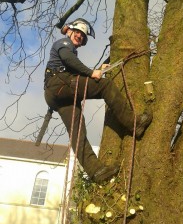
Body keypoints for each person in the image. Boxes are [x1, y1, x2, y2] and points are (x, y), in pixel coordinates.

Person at [44, 18, 152, 183]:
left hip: (60, 94)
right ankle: (133, 123)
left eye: (82, 36)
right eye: (78, 33)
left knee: (77, 131)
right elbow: (68, 59)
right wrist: (91, 72)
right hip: (59, 83)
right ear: (70, 31)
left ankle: (96, 171)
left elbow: (80, 76)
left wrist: (103, 65)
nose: (79, 37)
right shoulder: (64, 44)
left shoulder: (72, 51)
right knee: (105, 85)